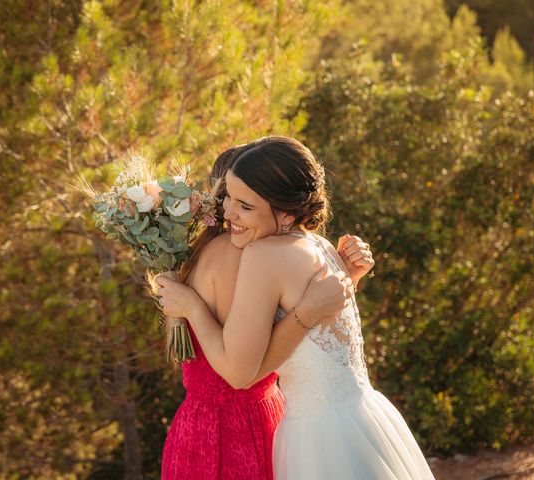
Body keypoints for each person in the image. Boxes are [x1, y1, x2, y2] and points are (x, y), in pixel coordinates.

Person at [157, 136, 435, 479]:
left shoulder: (261, 256)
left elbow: (242, 374)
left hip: (315, 436)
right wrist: (347, 282)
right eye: (228, 197)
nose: (226, 213)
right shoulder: (320, 245)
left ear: (286, 213)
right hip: (365, 420)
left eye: (244, 206)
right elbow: (321, 342)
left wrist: (193, 308)